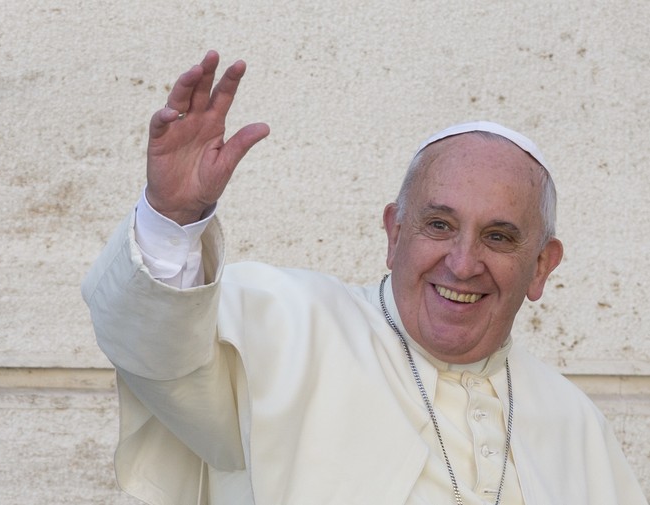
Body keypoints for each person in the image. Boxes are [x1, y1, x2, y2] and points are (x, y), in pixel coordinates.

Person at [81, 50, 648, 505]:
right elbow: (157, 351)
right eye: (438, 224)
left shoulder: (579, 428)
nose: (462, 262)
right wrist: (173, 219)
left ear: (541, 266)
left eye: (498, 237)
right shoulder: (283, 326)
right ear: (393, 232)